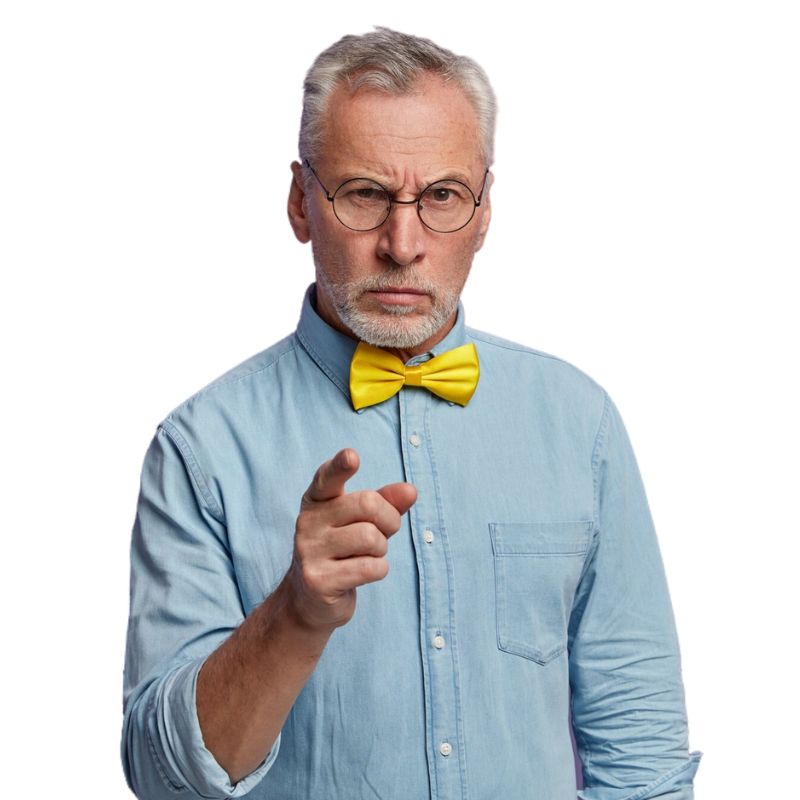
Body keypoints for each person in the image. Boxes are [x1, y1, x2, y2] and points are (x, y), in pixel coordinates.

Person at [121, 26, 702, 800]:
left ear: (485, 210)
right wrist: (294, 614)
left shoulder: (579, 425)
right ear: (301, 203)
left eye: (442, 197)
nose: (403, 243)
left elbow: (642, 756)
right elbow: (165, 779)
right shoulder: (201, 450)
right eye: (364, 194)